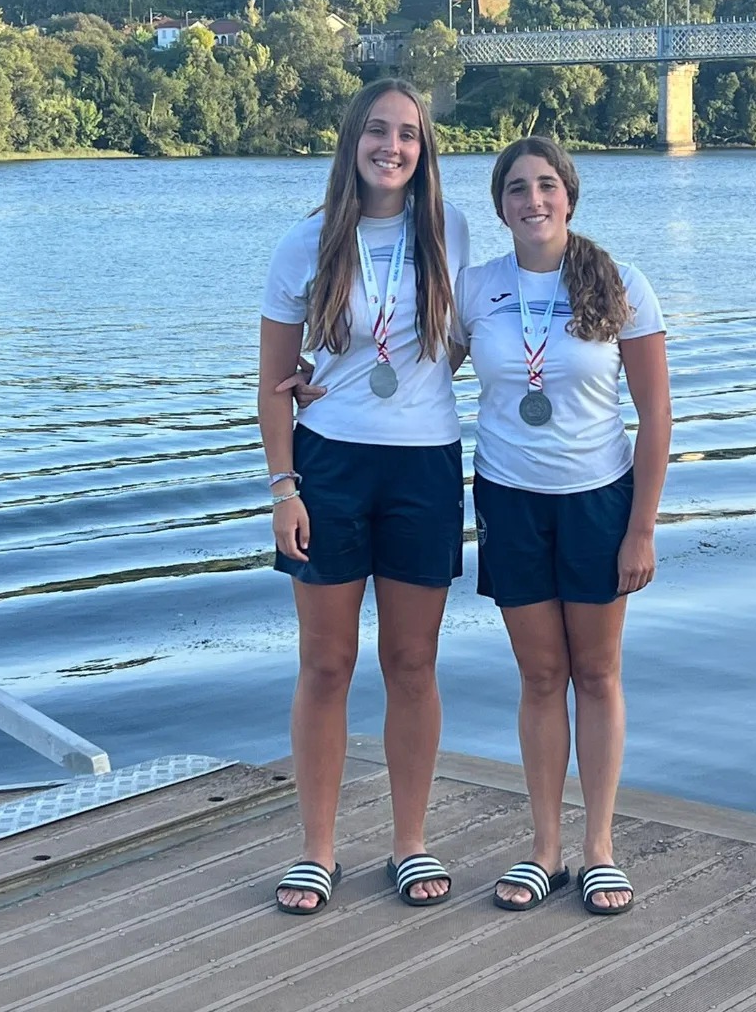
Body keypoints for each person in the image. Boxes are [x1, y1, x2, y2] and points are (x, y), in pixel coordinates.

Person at [257, 77, 470, 916]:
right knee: (327, 663)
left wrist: (405, 393)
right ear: (352, 142)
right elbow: (275, 384)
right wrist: (284, 488)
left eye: (409, 135)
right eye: (378, 132)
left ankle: (409, 844)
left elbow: (455, 344)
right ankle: (316, 851)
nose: (393, 147)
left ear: (424, 152)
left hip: (423, 465)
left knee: (412, 663)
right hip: (330, 467)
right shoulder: (301, 245)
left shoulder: (449, 228)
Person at [454, 137, 671, 915]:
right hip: (510, 501)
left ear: (569, 196)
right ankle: (544, 848)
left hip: (598, 500)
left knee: (597, 675)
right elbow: (413, 370)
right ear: (500, 204)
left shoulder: (620, 283)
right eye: (517, 188)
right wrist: (320, 380)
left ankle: (599, 847)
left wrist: (641, 528)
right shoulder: (476, 289)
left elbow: (655, 418)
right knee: (541, 676)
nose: (533, 200)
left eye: (547, 185)